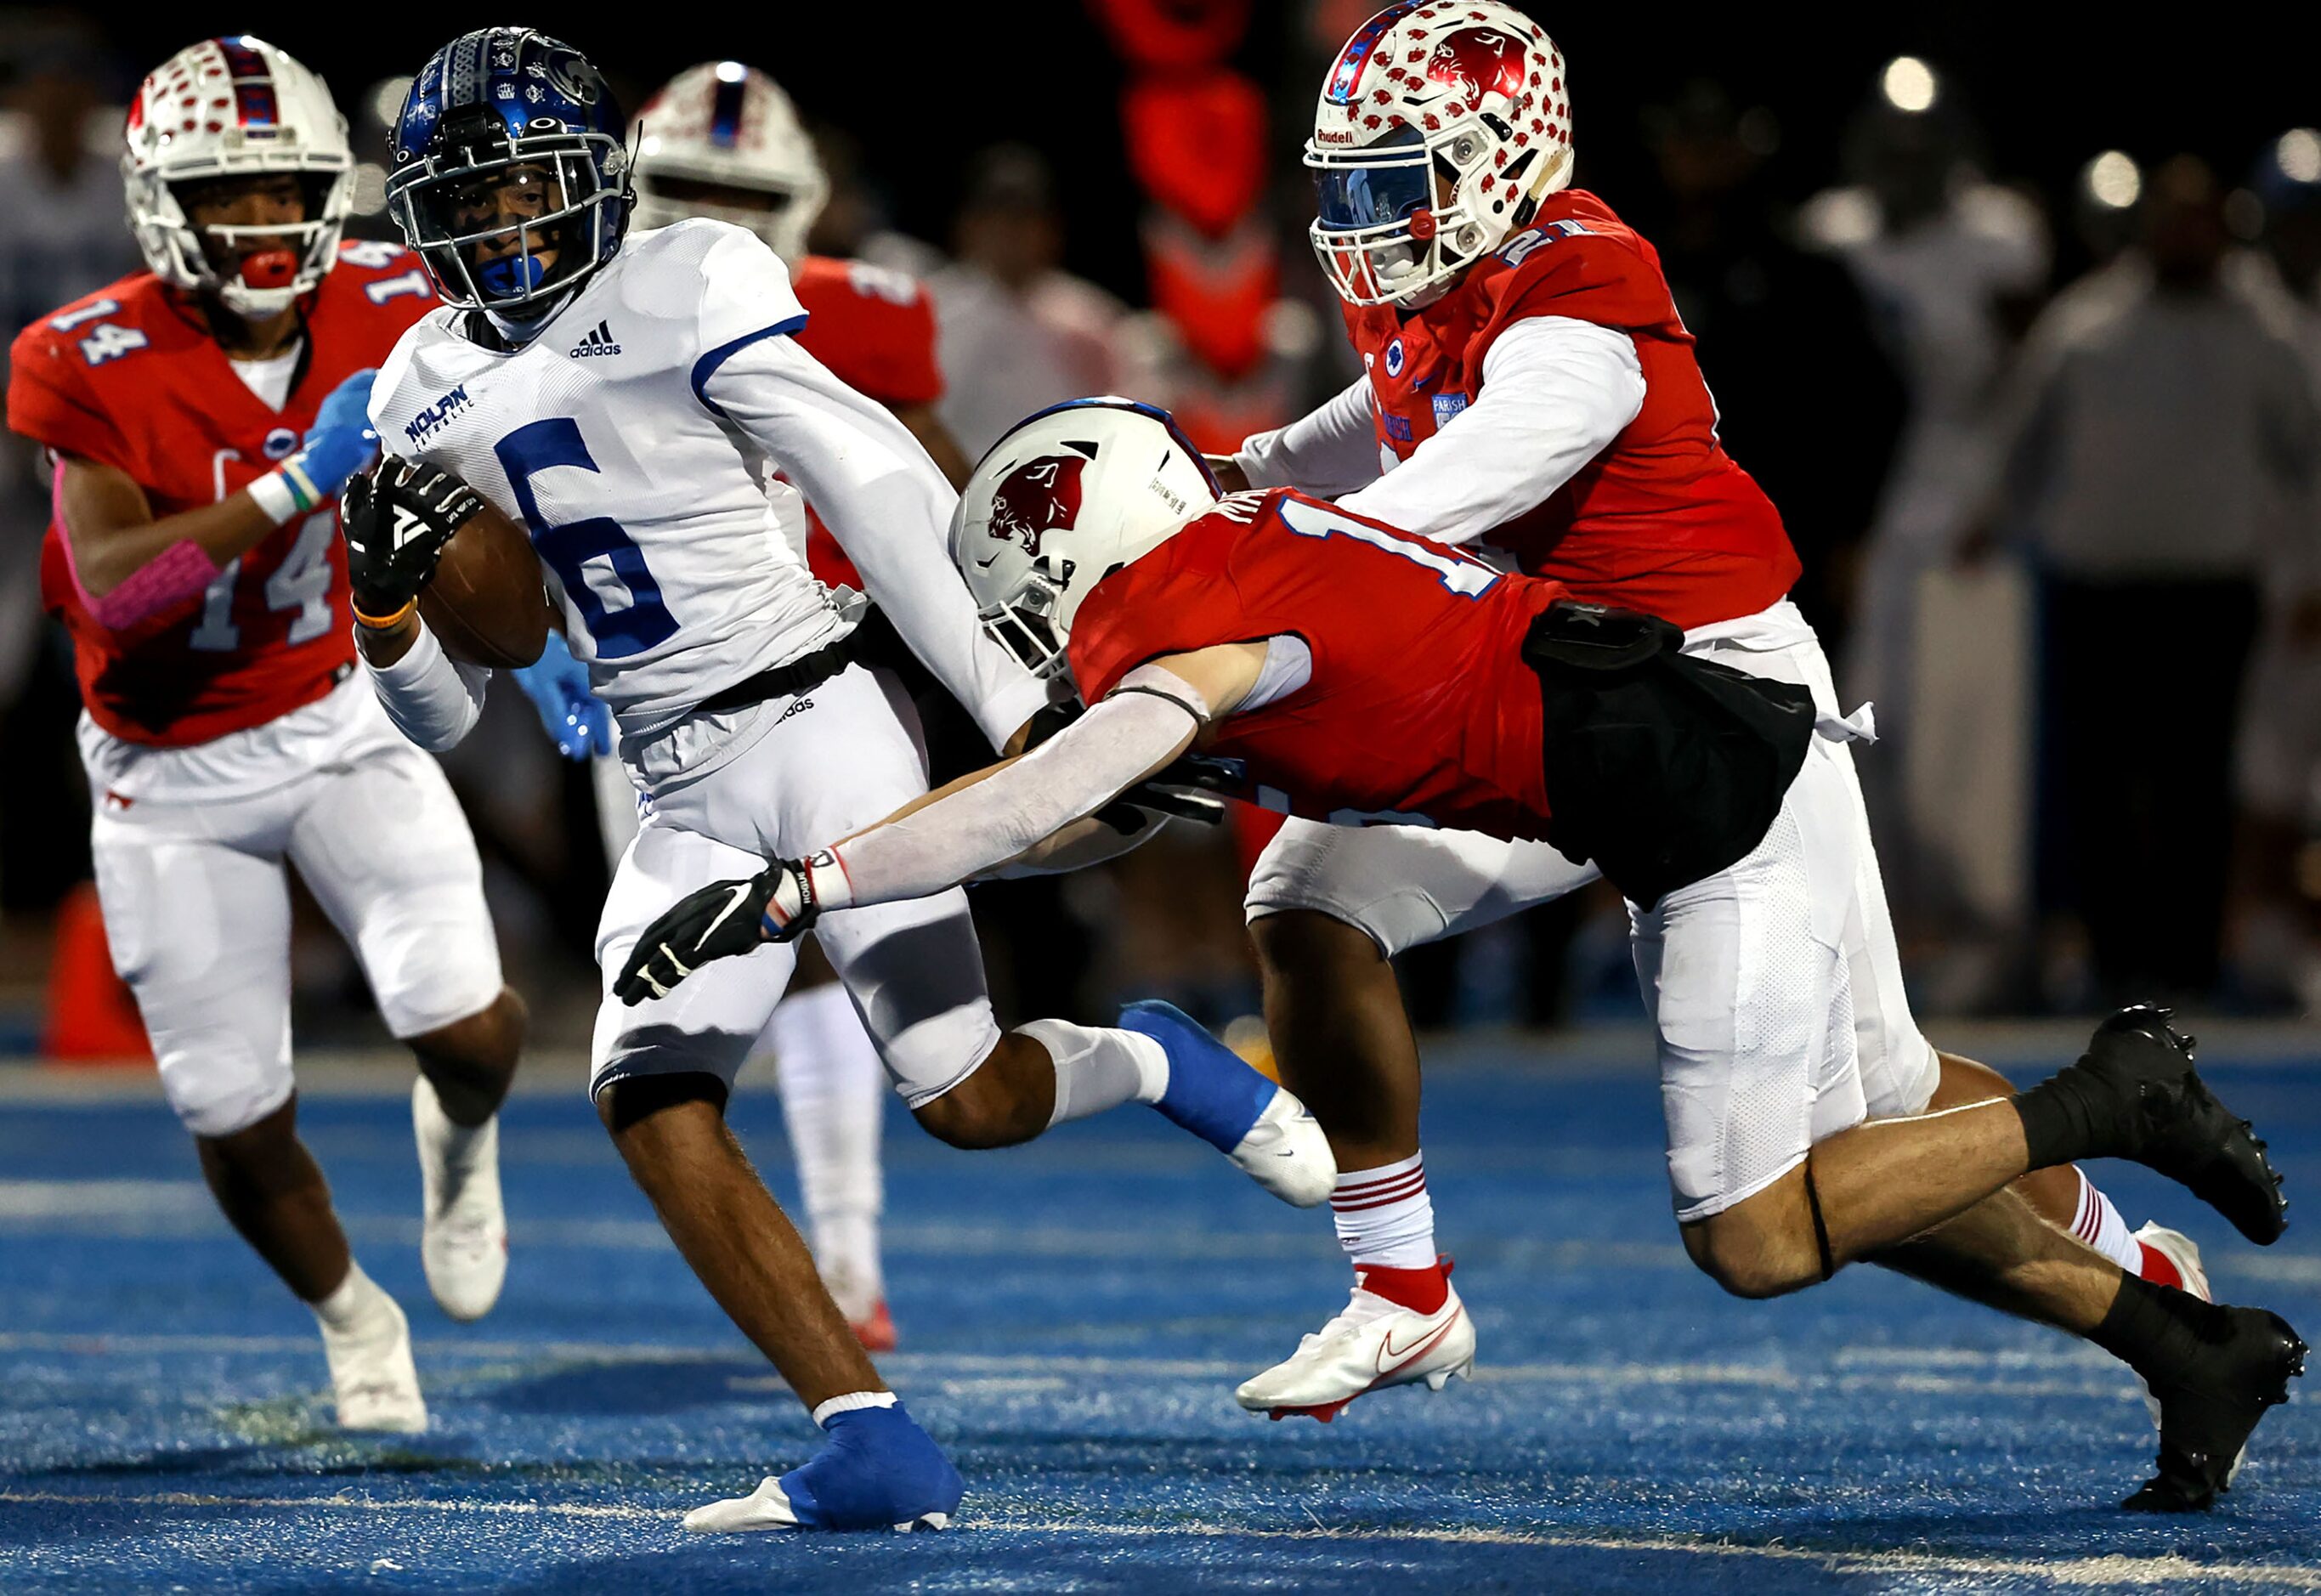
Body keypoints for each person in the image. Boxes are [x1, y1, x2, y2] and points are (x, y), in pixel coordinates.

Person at [618, 396, 2305, 1514]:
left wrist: (798, 890)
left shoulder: (1172, 621)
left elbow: (1045, 792)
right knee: (1314, 906)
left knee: (1764, 1232)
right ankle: (2183, 1343)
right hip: (1619, 752)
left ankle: (2114, 1098)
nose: (1037, 642)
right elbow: (1113, 799)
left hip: (1693, 799)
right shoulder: (1245, 536)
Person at [350, 29, 1330, 1535]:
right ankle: (866, 1433)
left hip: (816, 721)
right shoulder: (417, 378)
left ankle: (1152, 1056)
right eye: (464, 204)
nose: (497, 229)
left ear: (598, 182)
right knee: (653, 1094)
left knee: (967, 1098)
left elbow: (865, 471)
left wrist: (1017, 705)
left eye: (523, 190)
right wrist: (387, 611)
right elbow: (440, 709)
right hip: (673, 784)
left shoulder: (687, 278)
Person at [1197, 0, 2204, 1426]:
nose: (1360, 216)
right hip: (1565, 702)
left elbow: (1443, 490)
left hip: (1717, 712)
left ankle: (2134, 1257)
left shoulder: (1582, 294)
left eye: (1392, 178)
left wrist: (1245, 566)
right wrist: (1211, 482)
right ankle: (1402, 1288)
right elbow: (1365, 422)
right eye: (1345, 181)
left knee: (1876, 1095)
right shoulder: (1449, 285)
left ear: (1498, 159)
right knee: (1306, 891)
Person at [3, 36, 525, 1433]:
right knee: (235, 1115)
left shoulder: (388, 294)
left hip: (338, 713)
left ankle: (458, 1141)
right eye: (229, 196)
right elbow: (118, 585)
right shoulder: (84, 354)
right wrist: (301, 481)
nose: (263, 223)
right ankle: (356, 1315)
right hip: (166, 776)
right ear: (164, 204)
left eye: (287, 188)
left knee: (473, 1034)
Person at [504, 57, 984, 1352]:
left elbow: (932, 491)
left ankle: (845, 1254)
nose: (714, 212)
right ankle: (822, 1263)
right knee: (698, 996)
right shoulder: (546, 318)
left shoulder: (859, 311)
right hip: (651, 701)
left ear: (806, 199)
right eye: (688, 186)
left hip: (821, 676)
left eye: (740, 189)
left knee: (851, 972)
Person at [1998, 156, 2318, 1003]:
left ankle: (2188, 962)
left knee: (2196, 779)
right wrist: (1993, 520)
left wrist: (2307, 569)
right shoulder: (2086, 321)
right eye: (2170, 217)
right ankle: (2111, 959)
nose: (2184, 234)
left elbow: (2310, 452)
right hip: (2097, 587)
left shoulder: (2265, 329)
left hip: (2211, 590)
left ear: (2221, 227)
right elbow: (2021, 438)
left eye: (2198, 218)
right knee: (2099, 776)